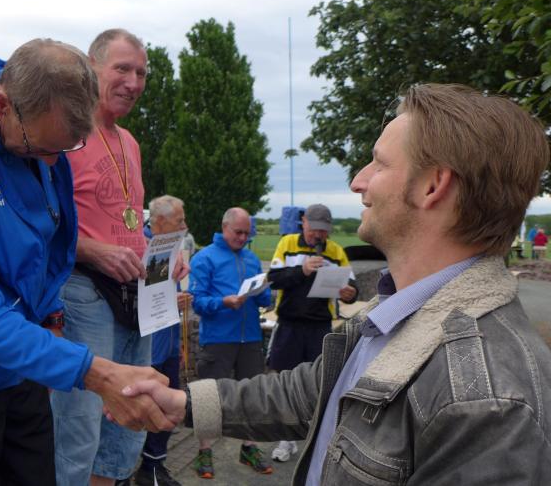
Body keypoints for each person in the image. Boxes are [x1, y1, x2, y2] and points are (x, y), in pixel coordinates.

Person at [121, 83, 551, 484]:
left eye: (379, 162)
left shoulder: (489, 399)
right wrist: (184, 403)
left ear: (432, 186)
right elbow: (311, 394)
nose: (357, 181)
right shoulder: (398, 313)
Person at [0, 39, 170, 486]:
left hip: (22, 359)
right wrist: (96, 374)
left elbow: (48, 246)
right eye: (39, 150)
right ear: (1, 105)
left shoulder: (40, 136)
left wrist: (52, 316)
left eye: (65, 150)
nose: (52, 163)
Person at [50, 29, 188, 486]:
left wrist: (165, 261)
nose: (134, 82)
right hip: (83, 289)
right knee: (80, 424)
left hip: (137, 293)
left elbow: (128, 225)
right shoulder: (63, 134)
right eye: (123, 69)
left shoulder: (129, 141)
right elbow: (36, 225)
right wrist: (92, 249)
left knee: (130, 419)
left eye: (142, 73)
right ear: (92, 67)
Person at [266, 203, 358, 462]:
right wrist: (303, 270)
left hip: (319, 327)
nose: (318, 235)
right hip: (290, 325)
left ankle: (314, 438)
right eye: (314, 229)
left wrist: (350, 293)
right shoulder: (287, 244)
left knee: (319, 383)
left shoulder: (336, 251)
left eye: (323, 231)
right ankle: (286, 440)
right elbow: (274, 279)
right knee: (285, 382)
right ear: (303, 222)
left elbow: (352, 287)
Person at [188, 207, 273, 479]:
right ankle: (204, 452)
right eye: (238, 232)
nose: (243, 238)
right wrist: (223, 302)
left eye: (247, 233)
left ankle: (249, 448)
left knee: (252, 396)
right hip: (217, 339)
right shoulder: (204, 258)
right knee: (209, 397)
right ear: (224, 227)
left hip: (251, 337)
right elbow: (197, 302)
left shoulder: (251, 258)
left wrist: (265, 293)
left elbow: (265, 299)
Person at [132, 195, 192, 486]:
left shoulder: (170, 248)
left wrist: (177, 344)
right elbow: (144, 298)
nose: (185, 226)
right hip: (147, 348)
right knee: (144, 410)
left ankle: (154, 466)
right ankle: (131, 471)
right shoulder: (142, 247)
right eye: (179, 220)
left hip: (167, 345)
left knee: (167, 409)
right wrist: (172, 301)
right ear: (159, 221)